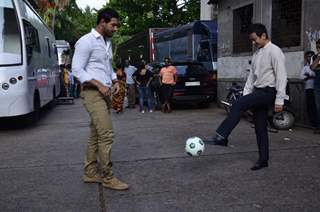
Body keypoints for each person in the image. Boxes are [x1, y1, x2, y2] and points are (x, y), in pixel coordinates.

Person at [205, 23, 288, 171]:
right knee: (260, 128)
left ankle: (221, 136)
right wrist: (245, 95)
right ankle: (263, 160)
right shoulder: (257, 53)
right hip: (258, 91)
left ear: (263, 36)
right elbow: (251, 77)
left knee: (237, 105)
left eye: (255, 39)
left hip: (269, 92)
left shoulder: (275, 51)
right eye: (252, 40)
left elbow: (282, 76)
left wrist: (280, 99)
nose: (253, 42)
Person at [72, 8, 129, 190]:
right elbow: (77, 70)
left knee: (95, 135)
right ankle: (107, 177)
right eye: (113, 25)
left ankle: (89, 173)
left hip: (105, 93)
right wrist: (99, 84)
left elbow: (107, 65)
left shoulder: (107, 42)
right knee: (107, 135)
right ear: (102, 22)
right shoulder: (86, 42)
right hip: (92, 93)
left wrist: (114, 80)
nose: (116, 28)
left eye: (117, 25)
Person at [300, 51, 318, 128]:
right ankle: (313, 124)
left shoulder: (317, 66)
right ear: (306, 58)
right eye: (308, 56)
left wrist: (309, 76)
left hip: (316, 89)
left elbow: (315, 75)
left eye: (311, 56)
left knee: (317, 106)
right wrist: (309, 77)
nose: (309, 58)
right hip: (309, 89)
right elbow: (301, 77)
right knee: (310, 106)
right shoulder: (305, 68)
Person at [310, 39, 320, 134]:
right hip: (317, 85)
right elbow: (313, 67)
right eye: (317, 47)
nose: (318, 48)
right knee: (318, 106)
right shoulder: (314, 57)